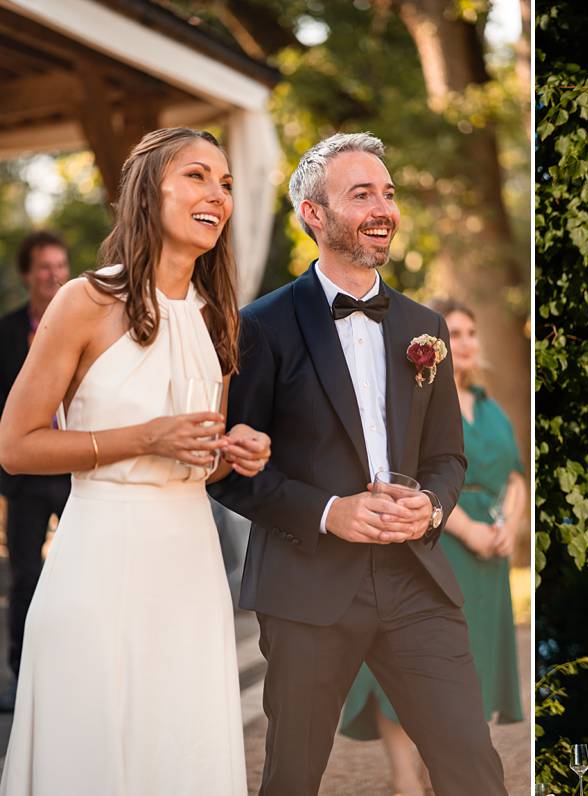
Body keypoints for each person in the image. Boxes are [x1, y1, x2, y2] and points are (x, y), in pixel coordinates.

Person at [209, 131, 507, 796]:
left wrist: (430, 504)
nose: (383, 208)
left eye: (389, 193)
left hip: (414, 584)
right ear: (313, 214)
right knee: (293, 773)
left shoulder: (423, 326)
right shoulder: (260, 326)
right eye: (362, 193)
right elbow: (229, 467)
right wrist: (328, 512)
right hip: (307, 587)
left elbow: (447, 457)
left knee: (471, 764)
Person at [0, 127, 272, 793]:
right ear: (148, 193)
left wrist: (232, 453)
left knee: (178, 746)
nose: (217, 194)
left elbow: (198, 466)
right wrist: (143, 438)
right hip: (101, 561)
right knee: (98, 745)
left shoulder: (217, 318)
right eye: (197, 176)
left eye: (226, 183)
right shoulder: (85, 300)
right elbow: (15, 445)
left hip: (190, 567)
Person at [337, 297, 526, 796]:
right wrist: (469, 531)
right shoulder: (418, 399)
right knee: (408, 668)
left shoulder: (491, 407)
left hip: (493, 555)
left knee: (473, 667)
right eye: (455, 333)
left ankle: (446, 772)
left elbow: (514, 477)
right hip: (438, 543)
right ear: (433, 346)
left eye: (470, 333)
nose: (465, 342)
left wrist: (511, 526)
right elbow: (423, 474)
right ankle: (406, 781)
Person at [0, 230, 72, 712]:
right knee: (26, 578)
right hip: (24, 480)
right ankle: (22, 679)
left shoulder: (82, 324)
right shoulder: (5, 332)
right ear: (28, 275)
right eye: (44, 267)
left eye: (60, 266)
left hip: (74, 470)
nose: (53, 275)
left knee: (78, 574)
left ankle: (71, 675)